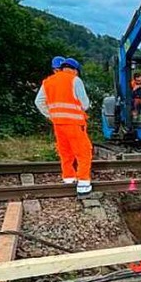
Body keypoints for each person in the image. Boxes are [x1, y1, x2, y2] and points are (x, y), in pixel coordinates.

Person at [35, 57, 93, 196]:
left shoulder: (48, 81)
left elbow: (39, 102)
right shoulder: (75, 80)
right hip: (75, 123)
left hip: (58, 124)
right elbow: (85, 104)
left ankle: (68, 177)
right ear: (75, 70)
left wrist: (52, 115)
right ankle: (83, 184)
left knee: (65, 151)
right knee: (83, 152)